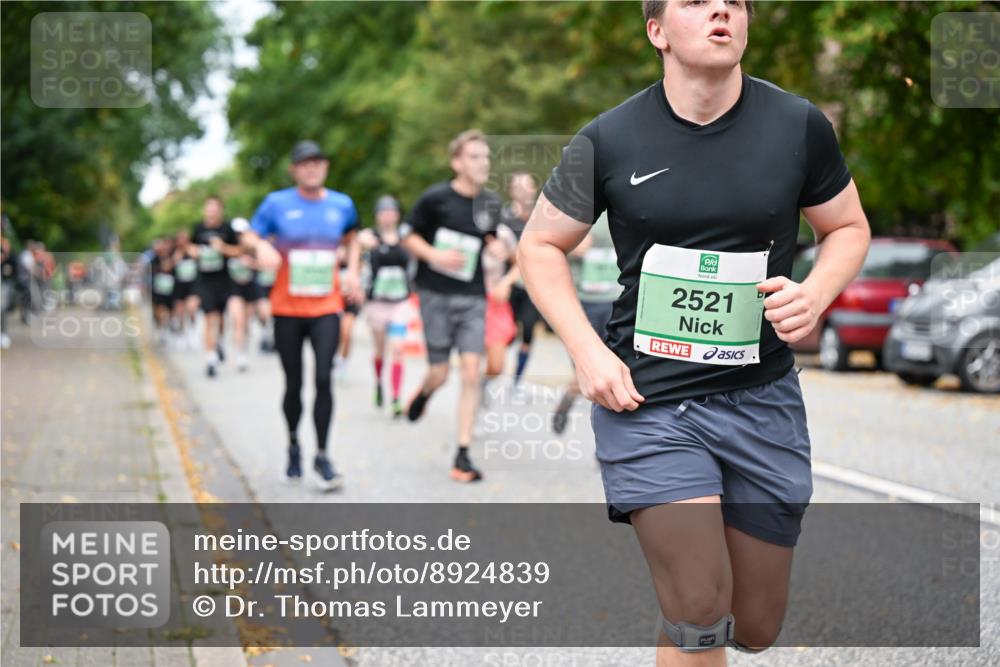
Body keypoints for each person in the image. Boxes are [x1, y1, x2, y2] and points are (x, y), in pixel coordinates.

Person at [517, 1, 871, 663]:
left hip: (762, 401)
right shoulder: (608, 138)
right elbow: (539, 246)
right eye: (697, 1)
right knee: (702, 604)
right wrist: (588, 352)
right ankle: (689, 614)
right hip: (648, 404)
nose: (720, 11)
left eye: (734, 2)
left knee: (754, 622)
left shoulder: (797, 126)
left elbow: (848, 227)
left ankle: (686, 626)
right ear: (657, 32)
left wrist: (816, 292)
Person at [242, 140, 362, 491]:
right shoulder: (276, 204)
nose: (311, 168)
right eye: (304, 164)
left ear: (325, 168)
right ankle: (294, 444)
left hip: (327, 306)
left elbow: (353, 239)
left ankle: (322, 455)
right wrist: (262, 244)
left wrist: (352, 270)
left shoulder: (342, 204)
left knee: (324, 378)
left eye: (317, 163)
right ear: (294, 170)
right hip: (287, 308)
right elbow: (250, 234)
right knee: (293, 383)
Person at [400, 129, 506, 483]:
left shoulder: (490, 204)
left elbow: (496, 242)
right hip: (435, 296)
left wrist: (498, 250)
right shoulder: (435, 199)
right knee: (441, 373)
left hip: (474, 297)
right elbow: (408, 235)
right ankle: (426, 391)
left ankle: (462, 452)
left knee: (472, 372)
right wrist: (435, 255)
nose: (483, 163)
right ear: (457, 162)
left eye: (486, 157)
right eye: (475, 156)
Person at [551, 212, 621, 434]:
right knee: (588, 370)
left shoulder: (631, 204)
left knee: (615, 370)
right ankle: (569, 398)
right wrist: (571, 248)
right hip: (583, 301)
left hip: (617, 300)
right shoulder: (576, 206)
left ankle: (605, 443)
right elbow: (542, 248)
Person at [359, 195, 412, 417]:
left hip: (400, 303)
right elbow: (356, 249)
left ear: (397, 215)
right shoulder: (370, 238)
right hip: (377, 303)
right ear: (377, 216)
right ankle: (379, 382)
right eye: (383, 211)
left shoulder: (406, 238)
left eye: (391, 211)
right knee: (380, 349)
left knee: (398, 350)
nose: (388, 215)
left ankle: (397, 397)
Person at [189, 196, 242, 377]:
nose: (211, 211)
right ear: (204, 210)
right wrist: (194, 252)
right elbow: (190, 248)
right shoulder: (198, 228)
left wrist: (223, 248)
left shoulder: (227, 229)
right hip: (205, 281)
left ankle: (218, 342)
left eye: (215, 208)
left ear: (220, 210)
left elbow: (238, 251)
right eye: (208, 207)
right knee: (210, 318)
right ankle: (210, 359)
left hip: (225, 280)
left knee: (222, 319)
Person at [500, 173, 542, 388]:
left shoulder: (543, 216)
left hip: (533, 285)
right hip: (508, 284)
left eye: (529, 186)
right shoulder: (503, 217)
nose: (525, 191)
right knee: (505, 334)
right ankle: (494, 373)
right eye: (519, 187)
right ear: (512, 191)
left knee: (527, 331)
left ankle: (516, 381)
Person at [226, 217, 259, 372]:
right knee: (238, 321)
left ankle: (244, 347)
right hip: (233, 289)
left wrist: (251, 263)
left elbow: (265, 266)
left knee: (246, 322)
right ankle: (240, 355)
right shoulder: (227, 249)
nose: (239, 236)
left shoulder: (254, 249)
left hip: (250, 289)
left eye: (242, 233)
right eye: (236, 234)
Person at [171, 229, 200, 349]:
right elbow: (172, 264)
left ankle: (193, 332)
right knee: (180, 312)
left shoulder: (192, 248)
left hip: (192, 284)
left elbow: (197, 256)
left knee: (192, 309)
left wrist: (187, 249)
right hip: (180, 285)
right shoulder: (175, 252)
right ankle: (182, 335)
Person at [149, 237, 176, 345]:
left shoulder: (172, 256)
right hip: (157, 288)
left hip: (170, 288)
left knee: (169, 310)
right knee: (158, 310)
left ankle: (166, 328)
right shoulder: (153, 259)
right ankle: (160, 329)